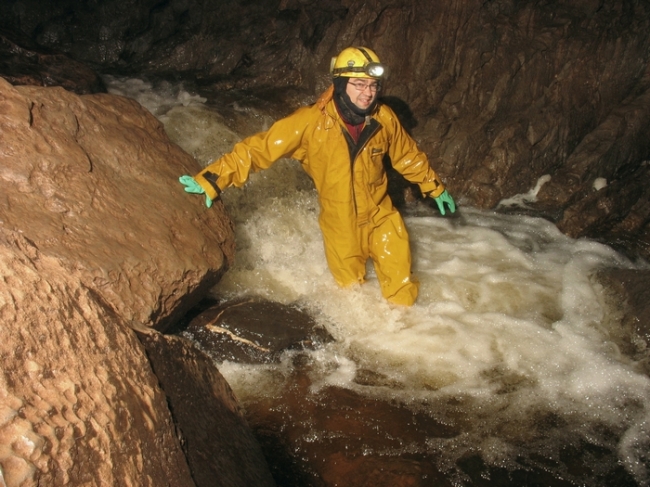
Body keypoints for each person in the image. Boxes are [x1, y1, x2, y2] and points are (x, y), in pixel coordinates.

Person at [179, 46, 456, 306]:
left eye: (372, 86)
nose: (368, 93)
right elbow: (257, 150)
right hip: (341, 225)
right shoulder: (310, 122)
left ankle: (405, 338)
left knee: (402, 288)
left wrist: (433, 187)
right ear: (340, 85)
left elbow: (407, 155)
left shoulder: (384, 117)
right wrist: (213, 179)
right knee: (352, 296)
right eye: (359, 84)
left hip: (381, 216)